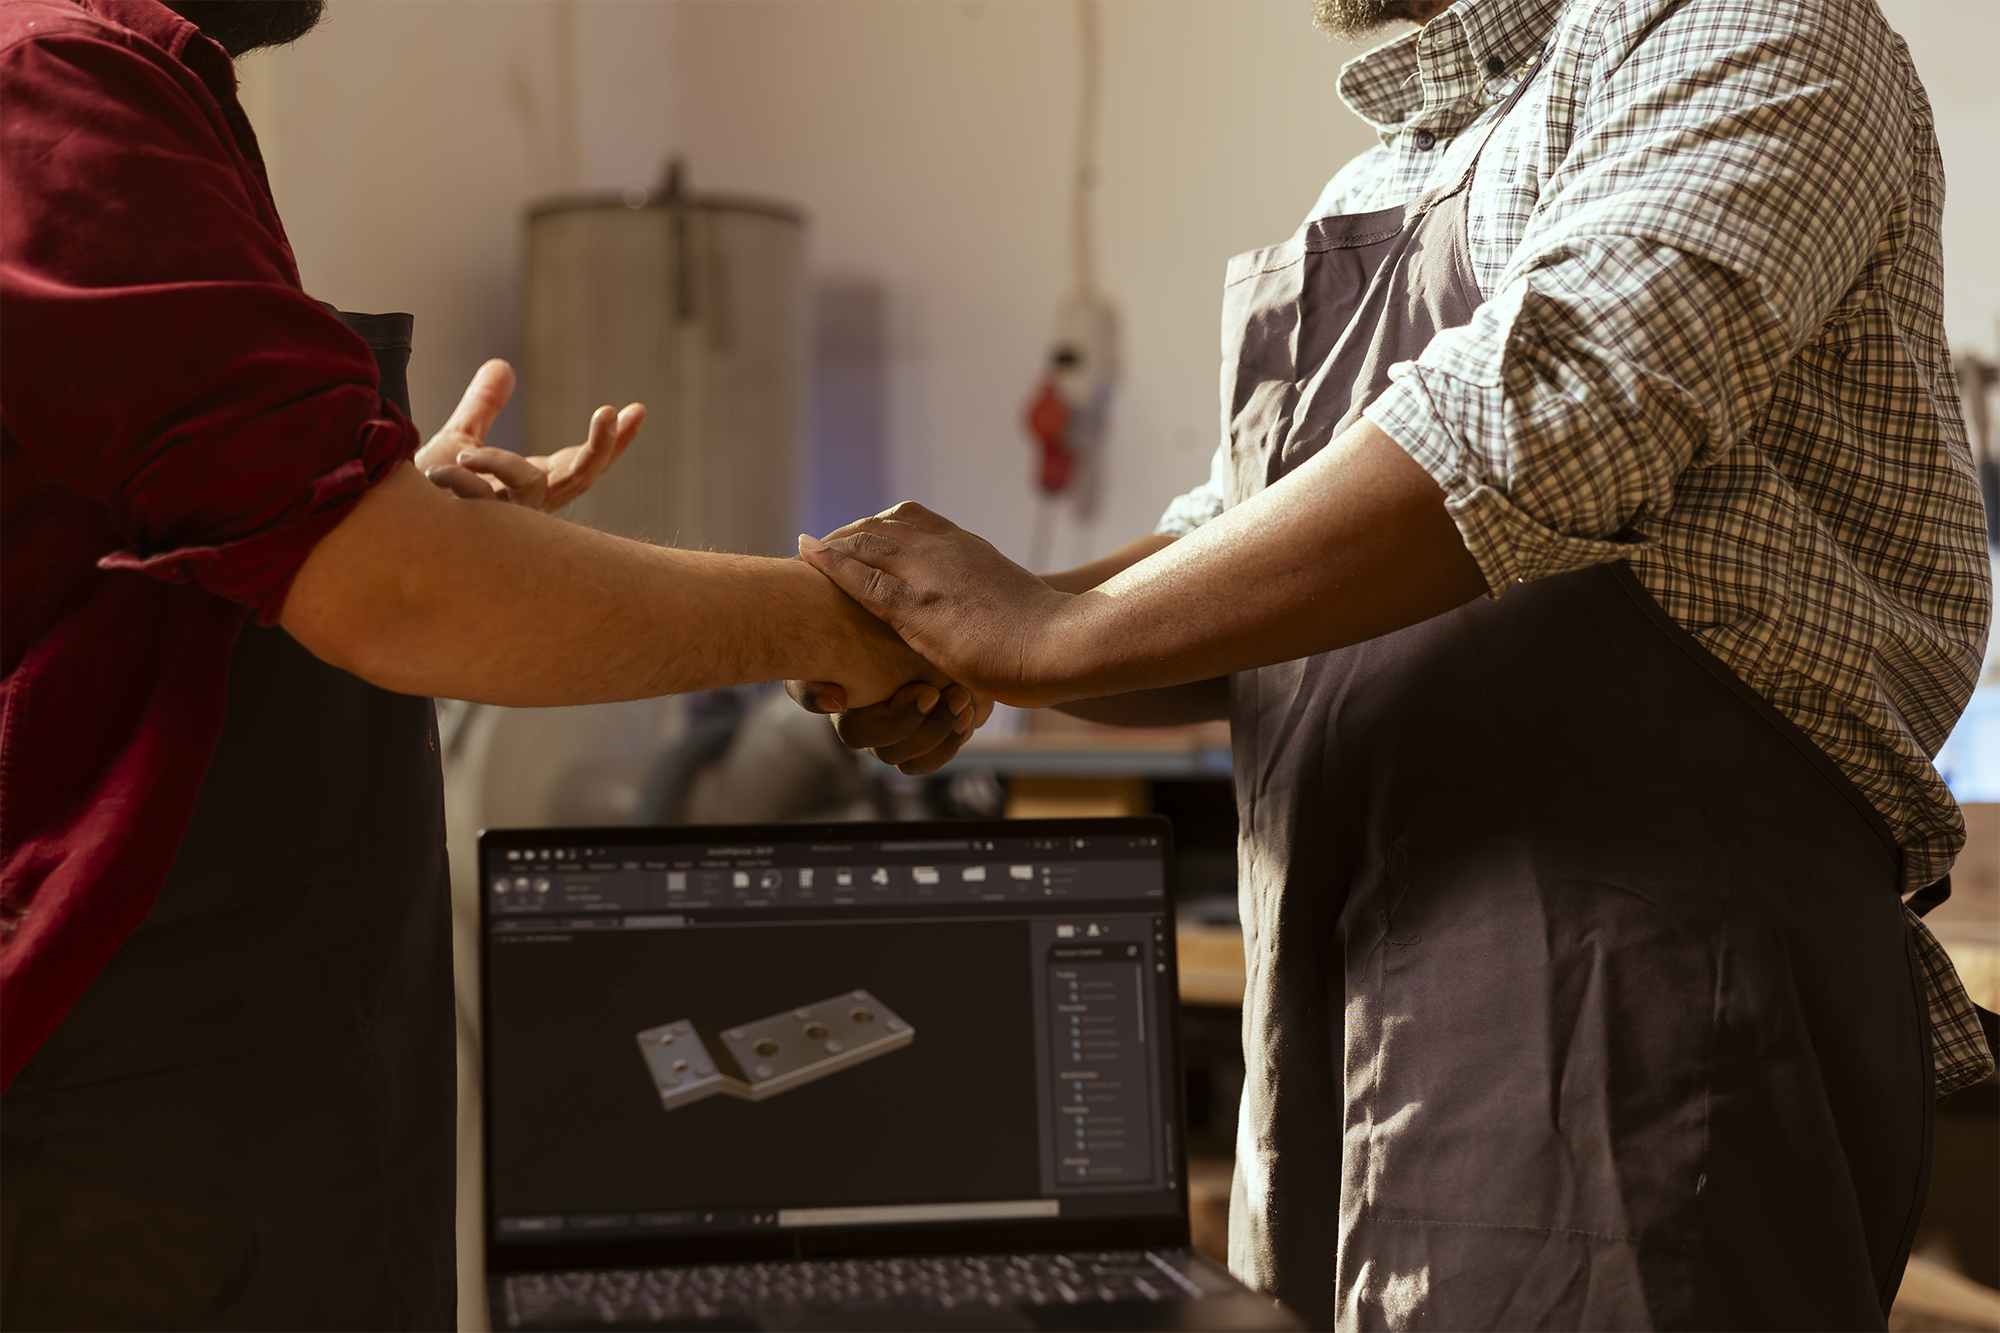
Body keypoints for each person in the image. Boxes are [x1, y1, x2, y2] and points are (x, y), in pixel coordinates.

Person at [799, 0, 1999, 1327]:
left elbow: (1568, 397)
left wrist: (1045, 634)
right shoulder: (1387, 176)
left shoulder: (1740, 21)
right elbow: (1243, 562)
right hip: (1338, 1017)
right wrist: (975, 634)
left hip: (1640, 1012)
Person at [0, 0, 974, 1326]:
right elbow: (396, 593)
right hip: (121, 1095)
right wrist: (844, 617)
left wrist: (393, 502)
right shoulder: (51, 75)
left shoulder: (134, 87)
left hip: (241, 1059)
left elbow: (127, 538)